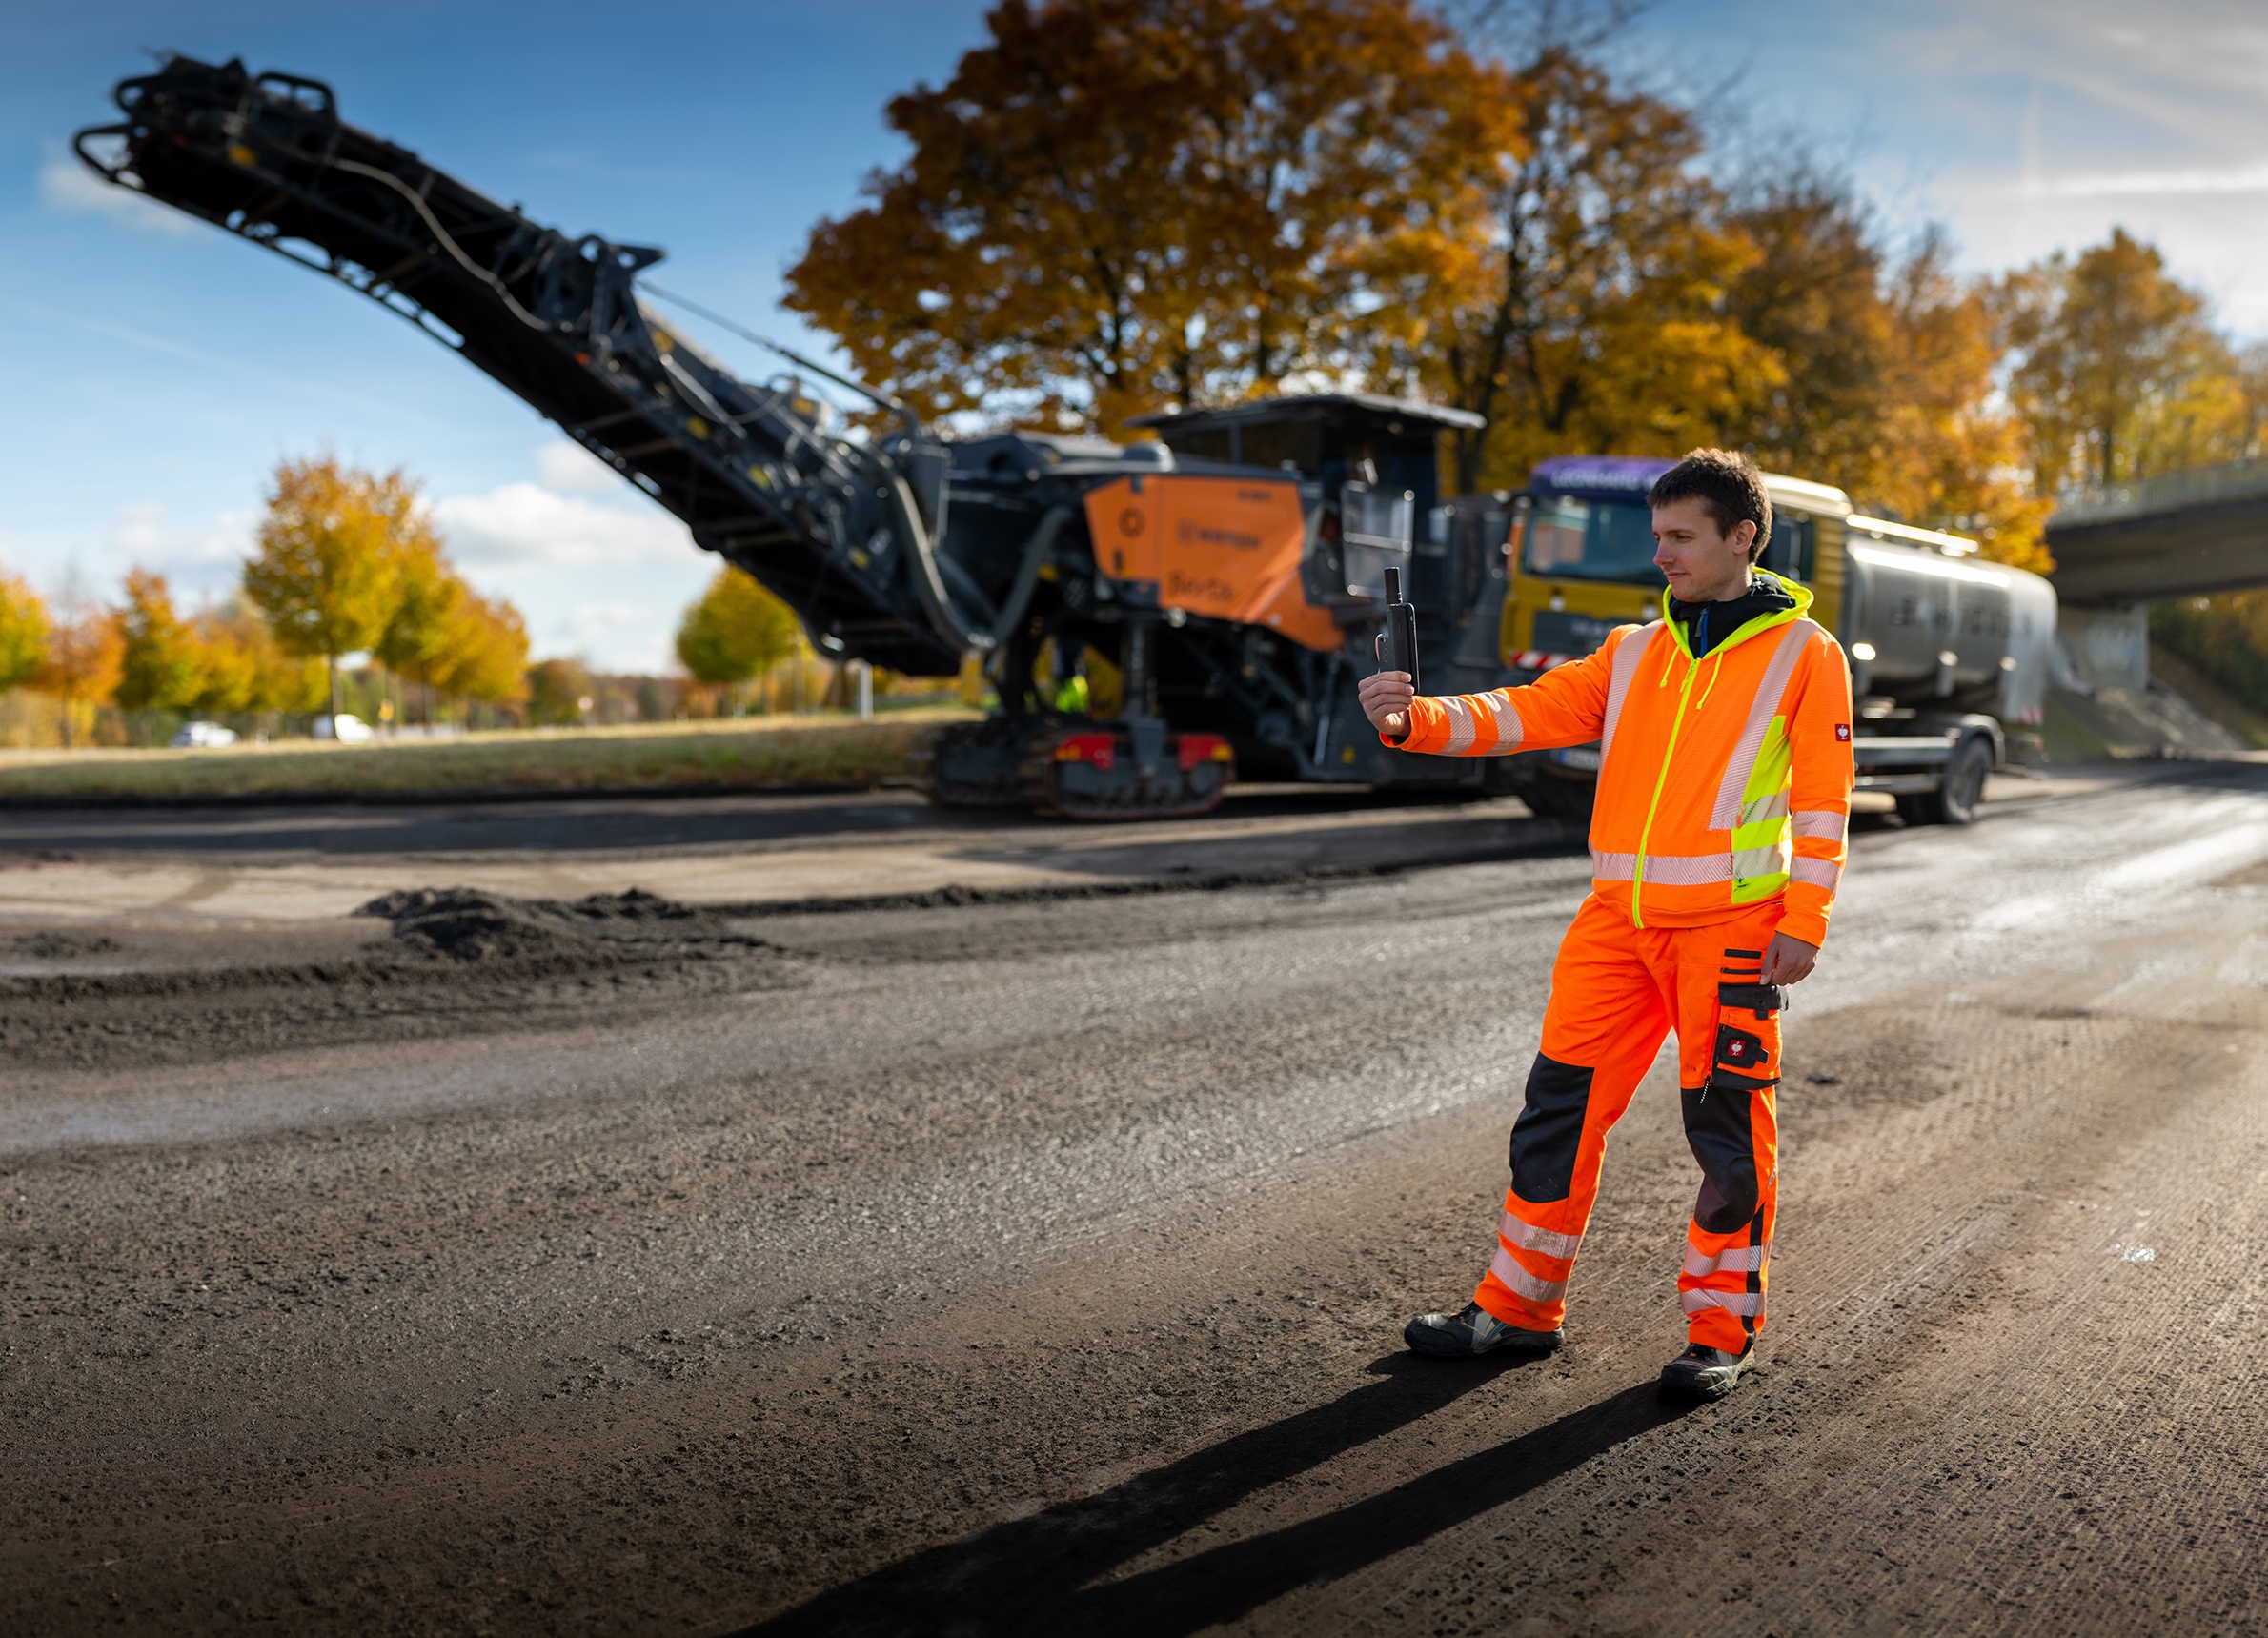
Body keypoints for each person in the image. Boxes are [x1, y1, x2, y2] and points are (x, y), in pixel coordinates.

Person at [1357, 448, 1854, 1402]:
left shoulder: (1805, 653)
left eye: (1679, 536)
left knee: (1725, 1135)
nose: (1659, 554)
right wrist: (1416, 719)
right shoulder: (1632, 651)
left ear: (1740, 537)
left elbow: (1826, 803)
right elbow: (1526, 711)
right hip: (1613, 930)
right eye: (1655, 535)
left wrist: (1807, 917)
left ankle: (1719, 1332)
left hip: (1733, 933)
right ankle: (1517, 1309)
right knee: (1555, 1114)